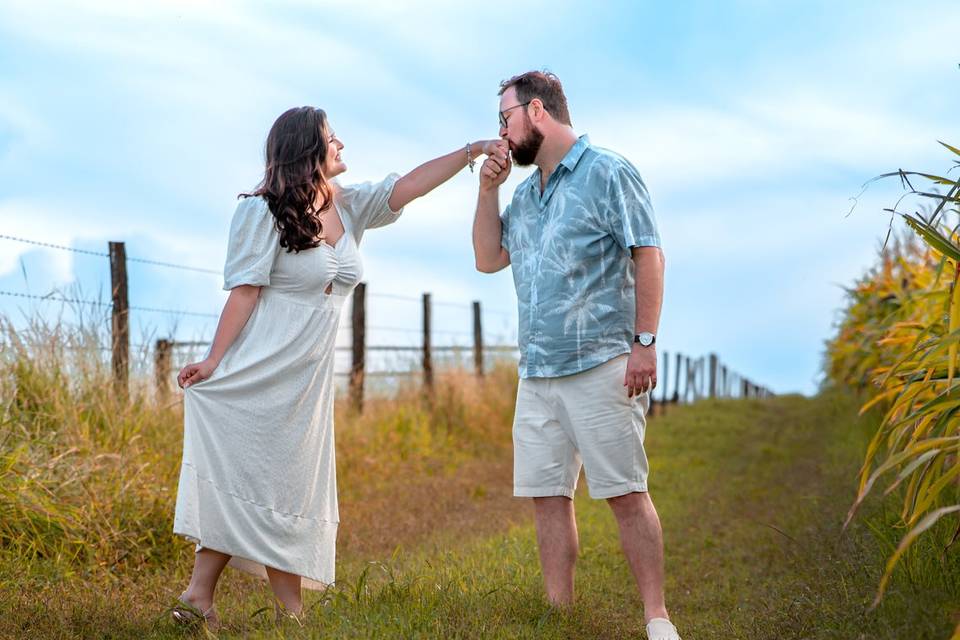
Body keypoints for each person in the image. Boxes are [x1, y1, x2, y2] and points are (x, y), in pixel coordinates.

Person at [170, 105, 501, 630]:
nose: (341, 144)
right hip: (260, 369)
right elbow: (245, 292)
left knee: (280, 483)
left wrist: (473, 151)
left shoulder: (350, 206)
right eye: (331, 138)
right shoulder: (260, 211)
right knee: (265, 481)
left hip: (306, 381)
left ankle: (199, 596)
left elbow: (410, 184)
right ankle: (282, 610)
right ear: (308, 149)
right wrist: (214, 361)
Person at [472, 71, 681, 640]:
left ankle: (656, 617)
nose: (501, 134)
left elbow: (649, 254)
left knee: (625, 493)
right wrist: (487, 189)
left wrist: (644, 344)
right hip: (538, 372)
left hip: (603, 365)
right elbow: (489, 259)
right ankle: (559, 614)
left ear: (536, 111)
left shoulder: (607, 172)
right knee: (547, 496)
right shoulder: (524, 193)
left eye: (505, 119)